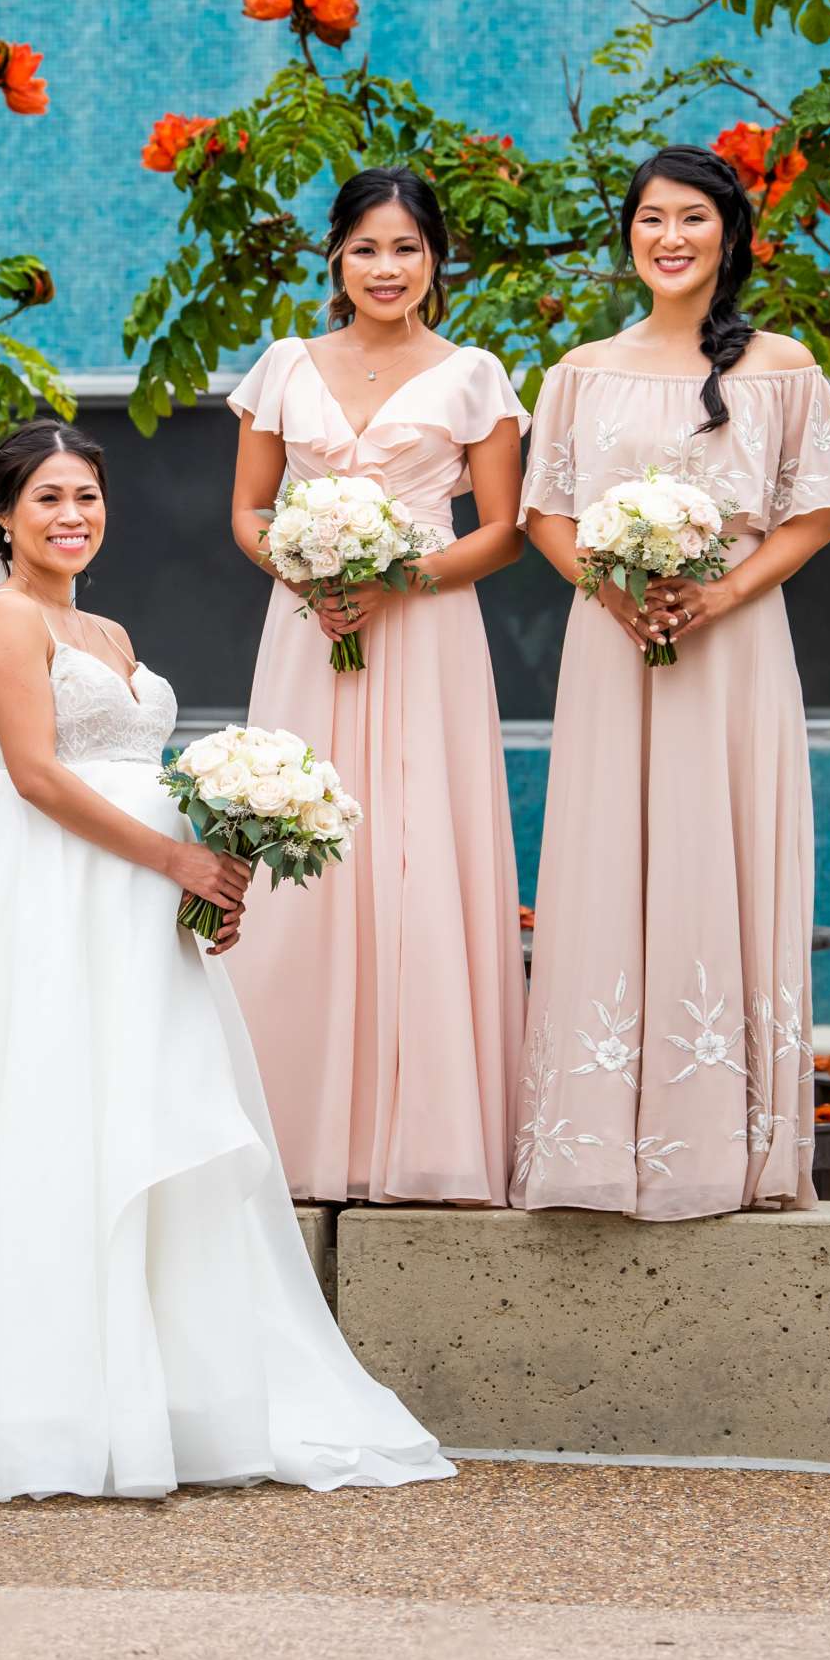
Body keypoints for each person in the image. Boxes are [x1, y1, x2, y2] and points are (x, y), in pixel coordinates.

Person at [0, 420, 456, 1500]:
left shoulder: (114, 632)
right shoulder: (3, 617)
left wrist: (212, 873)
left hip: (136, 908)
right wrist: (175, 856)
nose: (71, 517)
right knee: (51, 1121)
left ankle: (168, 1391)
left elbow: (143, 770)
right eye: (46, 499)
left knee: (149, 1119)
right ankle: (43, 1403)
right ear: (2, 517)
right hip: (48, 894)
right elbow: (37, 776)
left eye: (86, 496)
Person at [514, 143, 830, 1219]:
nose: (670, 238)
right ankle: (594, 1144)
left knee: (722, 851)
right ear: (630, 232)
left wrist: (722, 594)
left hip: (734, 646)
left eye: (694, 220)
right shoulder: (579, 369)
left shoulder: (784, 367)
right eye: (652, 218)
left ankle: (727, 1146)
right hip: (610, 648)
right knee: (614, 855)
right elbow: (545, 513)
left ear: (731, 236)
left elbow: (810, 514)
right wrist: (609, 594)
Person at [225, 167, 528, 1205]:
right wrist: (311, 571)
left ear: (435, 257)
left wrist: (397, 578)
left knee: (415, 844)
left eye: (405, 248)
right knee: (302, 838)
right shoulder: (283, 365)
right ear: (336, 259)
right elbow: (250, 512)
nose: (385, 268)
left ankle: (427, 1137)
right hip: (309, 628)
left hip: (428, 633)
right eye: (365, 248)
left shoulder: (475, 373)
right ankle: (292, 1128)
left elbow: (503, 530)